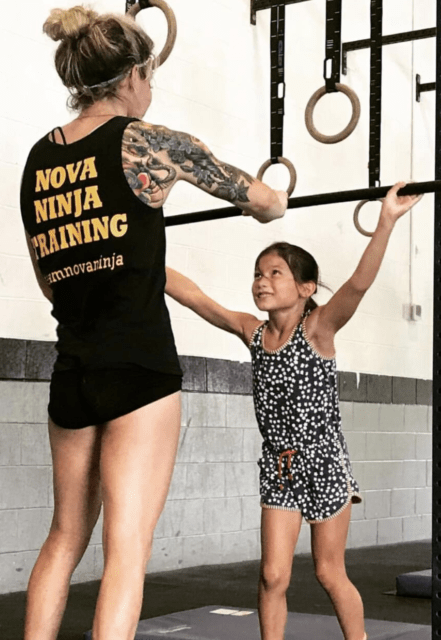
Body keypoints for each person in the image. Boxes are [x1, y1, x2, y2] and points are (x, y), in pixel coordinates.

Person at [20, 6, 287, 640]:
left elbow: (49, 279)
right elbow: (268, 203)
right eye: (150, 77)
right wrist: (266, 206)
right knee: (127, 551)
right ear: (132, 75)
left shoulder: (39, 158)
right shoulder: (148, 142)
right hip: (139, 369)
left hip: (73, 370)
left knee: (64, 538)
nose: (150, 90)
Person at [165, 182, 422, 640]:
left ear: (305, 288)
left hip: (323, 463)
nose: (262, 281)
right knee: (272, 576)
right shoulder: (253, 332)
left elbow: (358, 284)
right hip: (279, 466)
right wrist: (143, 256)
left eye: (275, 273)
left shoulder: (319, 328)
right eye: (258, 274)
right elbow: (198, 299)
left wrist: (386, 221)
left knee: (328, 572)